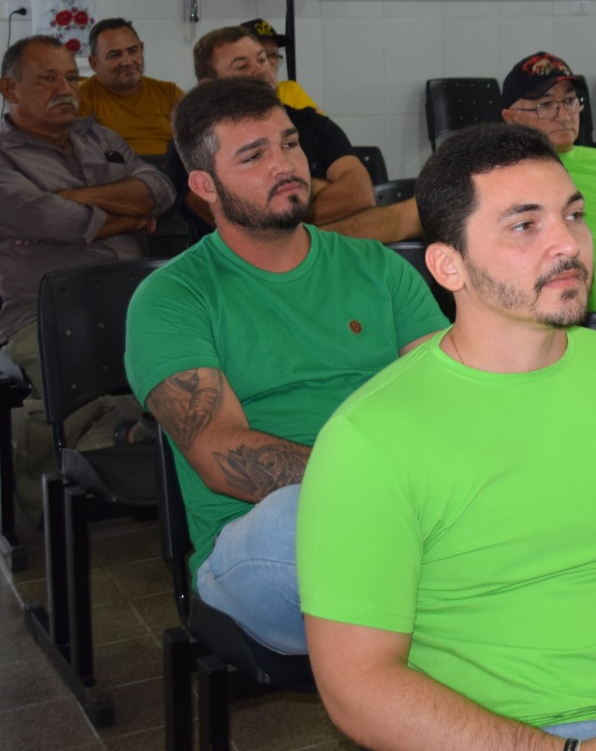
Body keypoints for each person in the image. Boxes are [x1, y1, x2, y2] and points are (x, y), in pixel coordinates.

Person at [298, 123, 596, 750]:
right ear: (448, 265)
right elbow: (356, 685)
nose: (567, 244)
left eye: (573, 215)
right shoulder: (368, 436)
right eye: (524, 225)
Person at [127, 78, 445, 654]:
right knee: (300, 522)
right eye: (254, 155)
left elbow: (447, 399)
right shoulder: (172, 297)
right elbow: (221, 456)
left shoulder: (379, 268)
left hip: (408, 511)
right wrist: (383, 487)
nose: (287, 165)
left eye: (290, 144)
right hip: (265, 543)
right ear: (204, 185)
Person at [0, 36, 176, 518]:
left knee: (201, 361)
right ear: (9, 89)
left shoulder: (102, 138)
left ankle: (141, 441)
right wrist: (129, 213)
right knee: (77, 382)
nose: (65, 89)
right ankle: (38, 503)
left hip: (137, 301)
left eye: (72, 78)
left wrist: (74, 199)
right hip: (46, 313)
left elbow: (159, 190)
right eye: (48, 79)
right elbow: (49, 220)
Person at [182, 26, 420, 244]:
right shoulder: (193, 143)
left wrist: (287, 209)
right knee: (405, 217)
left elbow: (359, 195)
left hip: (330, 262)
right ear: (208, 85)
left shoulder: (312, 122)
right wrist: (317, 188)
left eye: (263, 59)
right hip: (241, 270)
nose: (261, 70)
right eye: (242, 66)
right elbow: (245, 222)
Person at [499, 52, 596, 315]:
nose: (564, 115)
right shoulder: (500, 174)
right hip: (560, 322)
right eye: (546, 105)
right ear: (511, 117)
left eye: (569, 101)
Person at [76, 18, 185, 154]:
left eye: (133, 51)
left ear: (142, 49)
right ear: (94, 63)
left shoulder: (170, 94)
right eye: (115, 55)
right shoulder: (81, 98)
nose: (127, 61)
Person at [240, 18, 321, 113]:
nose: (272, 62)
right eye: (264, 56)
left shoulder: (291, 91)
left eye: (275, 56)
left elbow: (319, 122)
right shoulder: (230, 101)